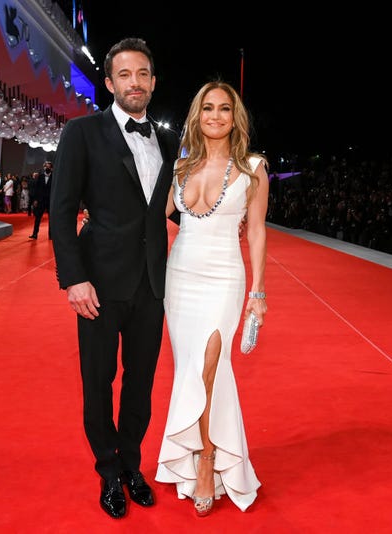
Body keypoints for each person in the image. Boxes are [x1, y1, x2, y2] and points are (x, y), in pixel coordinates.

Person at [49, 37, 179, 519]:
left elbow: (176, 207)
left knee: (141, 383)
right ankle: (107, 471)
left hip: (152, 284)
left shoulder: (168, 139)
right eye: (124, 75)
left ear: (153, 80)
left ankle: (131, 464)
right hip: (98, 284)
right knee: (99, 381)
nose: (135, 83)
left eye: (143, 74)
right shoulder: (82, 133)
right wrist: (73, 279)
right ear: (109, 83)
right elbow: (61, 212)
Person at [155, 80, 267, 516]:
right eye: (207, 108)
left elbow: (256, 231)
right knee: (191, 370)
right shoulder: (180, 168)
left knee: (209, 364)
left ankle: (206, 463)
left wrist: (258, 291)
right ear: (196, 116)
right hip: (179, 277)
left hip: (224, 276)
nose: (215, 116)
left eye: (224, 108)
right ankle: (203, 454)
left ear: (234, 117)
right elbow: (152, 214)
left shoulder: (254, 167)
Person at [28, 161, 53, 240]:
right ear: (44, 168)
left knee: (51, 219)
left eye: (49, 167)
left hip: (50, 201)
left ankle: (51, 235)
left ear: (51, 168)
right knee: (38, 218)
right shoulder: (41, 176)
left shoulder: (54, 177)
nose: (47, 168)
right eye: (46, 167)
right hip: (41, 200)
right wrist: (35, 200)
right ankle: (35, 234)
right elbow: (37, 189)